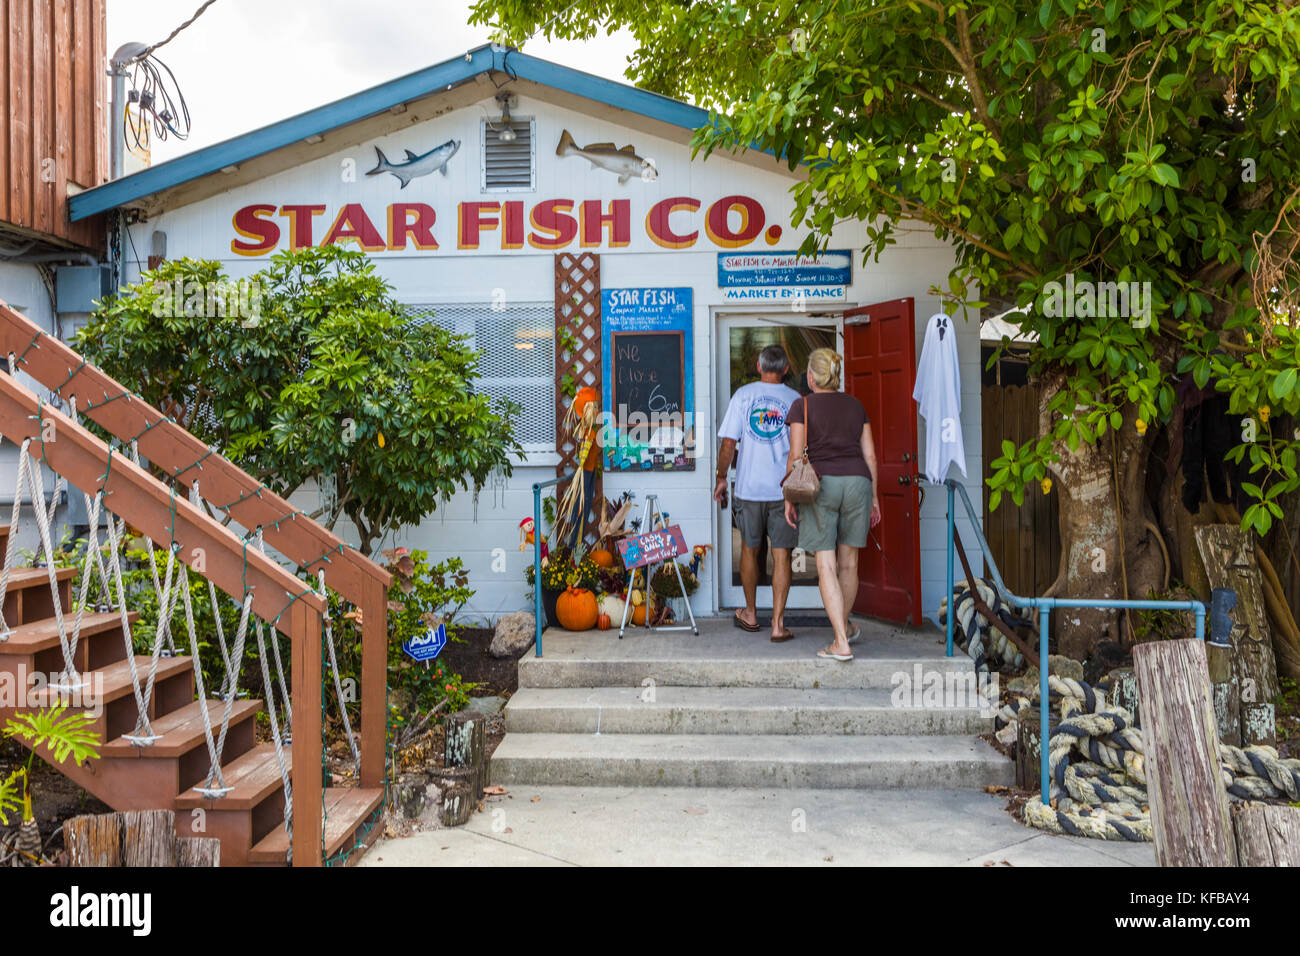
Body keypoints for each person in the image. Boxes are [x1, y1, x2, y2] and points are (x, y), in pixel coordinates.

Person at [783, 348, 881, 661]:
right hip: (858, 482)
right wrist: (875, 497)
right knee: (849, 562)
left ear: (811, 376)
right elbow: (870, 456)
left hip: (821, 484)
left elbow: (796, 457)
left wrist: (789, 496)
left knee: (826, 563)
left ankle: (840, 641)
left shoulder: (803, 405)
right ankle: (846, 627)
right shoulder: (856, 405)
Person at [713, 344, 801, 641]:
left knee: (749, 550)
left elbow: (729, 444)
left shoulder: (743, 396)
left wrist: (721, 477)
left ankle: (750, 613)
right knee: (782, 556)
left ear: (759, 366)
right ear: (786, 369)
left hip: (749, 488)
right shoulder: (796, 400)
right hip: (784, 491)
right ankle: (777, 624)